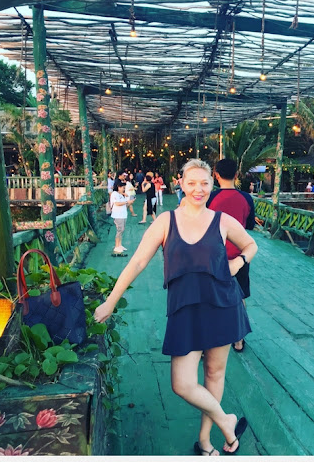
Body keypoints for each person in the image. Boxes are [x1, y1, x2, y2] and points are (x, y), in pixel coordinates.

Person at [94, 159, 255, 456]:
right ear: (180, 183)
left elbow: (251, 245)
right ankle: (226, 420)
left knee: (214, 374)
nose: (198, 189)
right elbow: (138, 261)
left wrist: (238, 263)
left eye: (204, 183)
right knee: (182, 383)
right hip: (185, 309)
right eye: (191, 183)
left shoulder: (221, 220)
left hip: (223, 304)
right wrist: (111, 301)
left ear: (212, 184)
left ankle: (205, 441)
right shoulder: (167, 221)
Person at [206, 159, 256, 353]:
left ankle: (209, 340)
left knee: (210, 298)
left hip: (214, 255)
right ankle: (238, 340)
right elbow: (249, 225)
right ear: (236, 174)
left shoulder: (210, 198)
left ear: (216, 175)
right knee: (239, 297)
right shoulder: (246, 198)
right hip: (240, 254)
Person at [110, 180, 135, 254]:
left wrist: (130, 202)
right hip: (118, 215)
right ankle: (116, 246)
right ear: (118, 187)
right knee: (120, 230)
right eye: (123, 187)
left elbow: (124, 205)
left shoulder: (120, 195)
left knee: (122, 230)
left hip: (123, 215)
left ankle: (120, 245)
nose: (123, 189)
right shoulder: (114, 194)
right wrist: (127, 202)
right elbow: (117, 203)